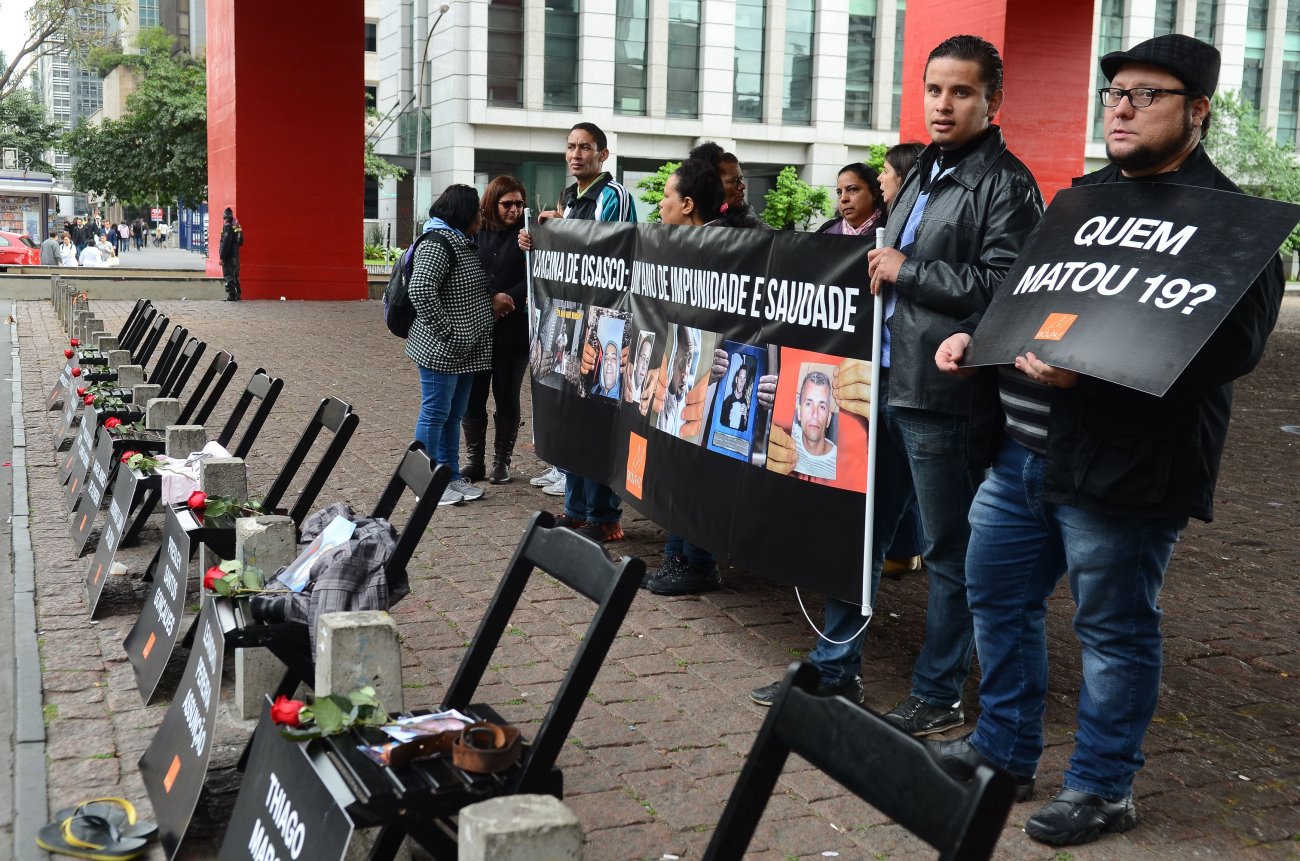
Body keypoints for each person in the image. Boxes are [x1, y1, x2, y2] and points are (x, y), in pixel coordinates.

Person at [930, 33, 1285, 846]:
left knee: (1115, 628)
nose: (1120, 108)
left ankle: (1102, 785)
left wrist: (1089, 373)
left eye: (1144, 95)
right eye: (1113, 93)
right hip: (1020, 453)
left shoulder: (1231, 222)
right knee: (996, 597)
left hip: (1124, 471)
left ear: (1197, 112)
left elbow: (1234, 347)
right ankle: (1004, 752)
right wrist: (972, 336)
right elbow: (1026, 296)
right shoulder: (1083, 199)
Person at [751, 34, 1044, 713]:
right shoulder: (921, 173)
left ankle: (938, 695)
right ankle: (833, 665)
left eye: (961, 91)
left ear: (992, 101)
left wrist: (907, 271)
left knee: (949, 553)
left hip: (945, 396)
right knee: (855, 534)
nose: (943, 105)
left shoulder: (1008, 183)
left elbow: (1009, 287)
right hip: (879, 385)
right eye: (934, 90)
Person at [518, 122, 637, 543]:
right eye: (570, 147)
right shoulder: (569, 197)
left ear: (603, 155)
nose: (575, 154)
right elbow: (567, 254)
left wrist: (560, 231)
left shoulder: (614, 196)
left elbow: (607, 248)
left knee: (598, 420)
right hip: (569, 317)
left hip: (606, 321)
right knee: (571, 413)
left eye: (585, 147)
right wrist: (537, 239)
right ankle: (575, 508)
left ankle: (603, 515)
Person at [407, 184, 494, 507]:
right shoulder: (438, 242)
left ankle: (449, 476)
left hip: (464, 352)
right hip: (441, 351)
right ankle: (426, 482)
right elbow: (421, 289)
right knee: (435, 413)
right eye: (478, 212)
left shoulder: (461, 242)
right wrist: (450, 333)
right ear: (463, 213)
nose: (482, 218)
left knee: (452, 415)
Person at [462, 176, 530, 485]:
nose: (514, 210)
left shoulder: (528, 235)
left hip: (513, 329)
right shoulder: (476, 231)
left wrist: (508, 298)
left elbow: (535, 274)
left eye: (519, 203)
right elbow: (466, 271)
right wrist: (490, 297)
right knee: (473, 395)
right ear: (492, 203)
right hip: (478, 327)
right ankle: (475, 461)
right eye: (507, 204)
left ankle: (501, 461)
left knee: (507, 393)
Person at [791, 371, 837, 479]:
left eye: (822, 406)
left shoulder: (838, 462)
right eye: (808, 404)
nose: (815, 415)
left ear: (829, 419)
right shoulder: (788, 436)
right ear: (799, 413)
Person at [817, 163, 886, 236]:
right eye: (839, 192)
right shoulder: (825, 233)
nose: (843, 198)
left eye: (852, 189)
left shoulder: (892, 231)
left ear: (874, 193)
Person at [219, 207, 244, 301]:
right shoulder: (236, 226)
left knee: (229, 275)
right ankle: (238, 295)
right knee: (235, 275)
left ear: (224, 216)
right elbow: (241, 241)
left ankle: (232, 295)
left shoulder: (227, 226)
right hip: (235, 255)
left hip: (229, 256)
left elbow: (225, 243)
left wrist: (222, 257)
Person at [720, 363, 750, 431]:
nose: (742, 382)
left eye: (744, 378)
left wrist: (745, 418)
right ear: (736, 379)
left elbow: (745, 430)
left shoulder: (745, 403)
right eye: (740, 377)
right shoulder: (726, 402)